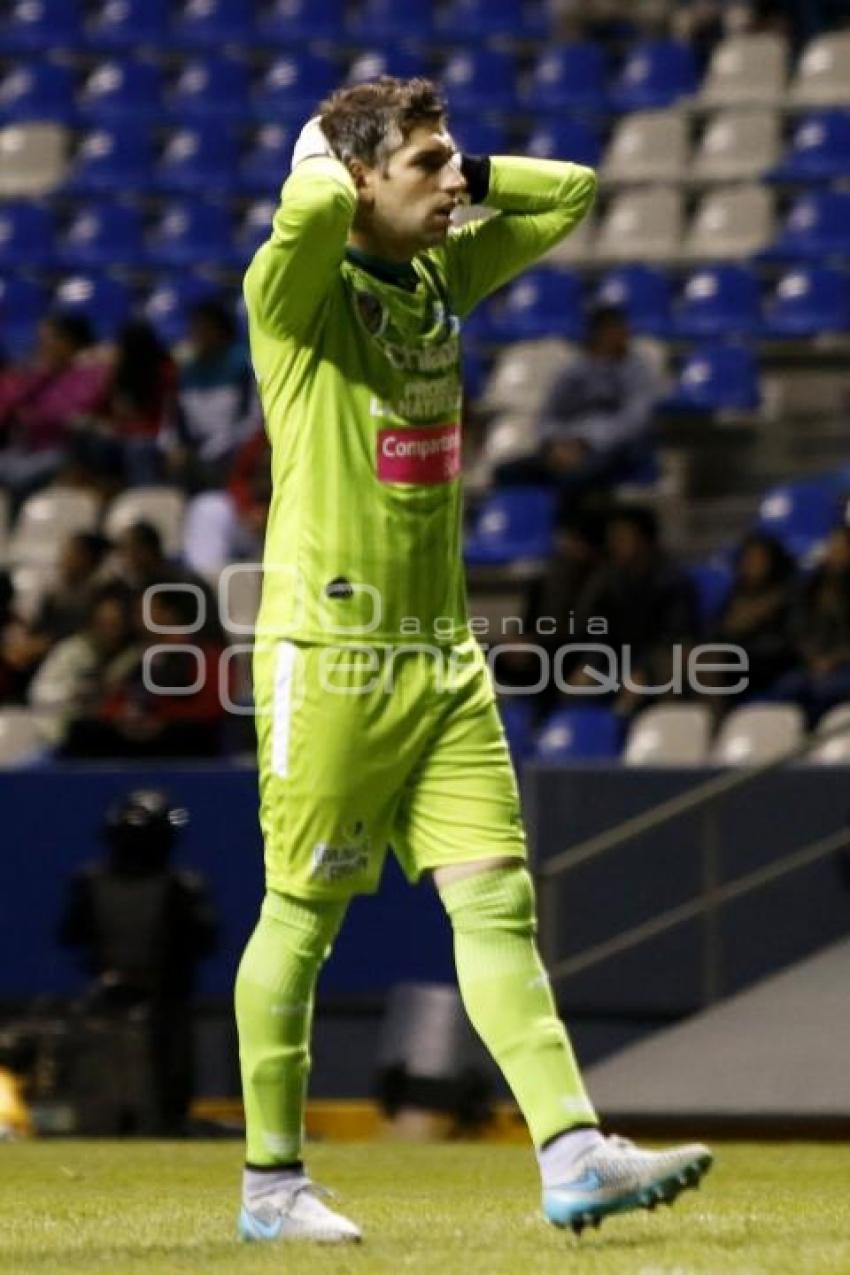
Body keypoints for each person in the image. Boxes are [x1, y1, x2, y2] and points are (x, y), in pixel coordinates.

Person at [235, 76, 711, 1246]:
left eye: (457, 158)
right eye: (429, 163)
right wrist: (328, 176)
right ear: (352, 186)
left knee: (498, 906)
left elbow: (574, 198)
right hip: (329, 654)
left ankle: (571, 1153)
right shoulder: (295, 298)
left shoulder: (440, 275)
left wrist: (464, 171)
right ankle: (270, 1187)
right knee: (300, 918)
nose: (457, 179)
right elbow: (298, 226)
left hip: (440, 659)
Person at [58, 788, 218, 1134]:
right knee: (101, 1073)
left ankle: (167, 1124)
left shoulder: (182, 886)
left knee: (169, 1072)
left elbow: (203, 941)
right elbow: (72, 934)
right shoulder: (91, 883)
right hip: (107, 1001)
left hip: (166, 1001)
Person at [494, 306, 662, 523]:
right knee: (508, 473)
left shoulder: (637, 371)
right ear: (598, 334)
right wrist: (558, 443)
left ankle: (569, 539)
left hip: (615, 451)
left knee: (573, 480)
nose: (622, 335)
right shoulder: (575, 371)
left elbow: (634, 421)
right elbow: (549, 417)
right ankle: (518, 530)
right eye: (614, 330)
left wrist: (584, 442)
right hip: (565, 448)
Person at [164, 299, 259, 493]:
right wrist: (173, 446)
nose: (198, 334)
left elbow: (255, 417)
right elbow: (174, 422)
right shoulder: (188, 371)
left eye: (204, 328)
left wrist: (222, 445)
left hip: (234, 448)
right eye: (194, 328)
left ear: (220, 329)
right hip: (197, 453)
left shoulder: (242, 364)